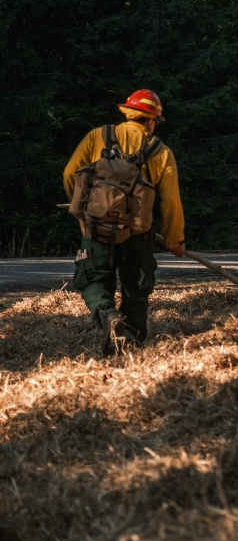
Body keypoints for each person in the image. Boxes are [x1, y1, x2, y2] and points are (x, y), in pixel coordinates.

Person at [63, 89, 185, 356]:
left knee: (94, 281)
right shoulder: (160, 150)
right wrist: (175, 240)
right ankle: (129, 350)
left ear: (128, 113)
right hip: (138, 234)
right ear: (151, 120)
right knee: (136, 291)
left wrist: (84, 209)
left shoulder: (98, 136)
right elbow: (171, 201)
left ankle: (107, 316)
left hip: (95, 229)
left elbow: (70, 173)